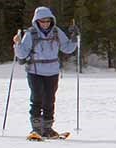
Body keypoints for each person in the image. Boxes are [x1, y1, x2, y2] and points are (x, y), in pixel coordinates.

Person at [12, 6, 77, 140]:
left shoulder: (56, 32)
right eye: (42, 21)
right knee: (37, 99)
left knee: (50, 100)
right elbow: (22, 53)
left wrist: (74, 38)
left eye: (48, 21)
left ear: (51, 20)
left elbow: (67, 48)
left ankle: (47, 128)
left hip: (52, 71)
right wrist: (17, 44)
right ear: (37, 21)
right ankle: (36, 129)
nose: (46, 24)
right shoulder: (31, 33)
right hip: (35, 71)